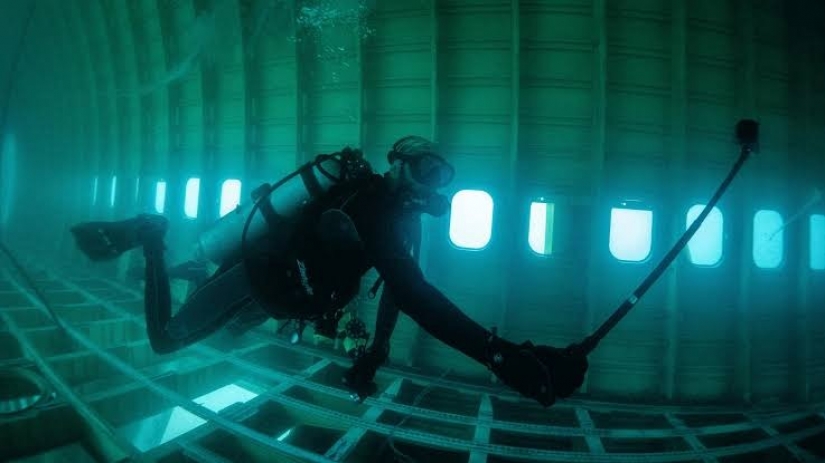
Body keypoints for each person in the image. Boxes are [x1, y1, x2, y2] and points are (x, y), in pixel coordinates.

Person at [70, 136, 589, 407]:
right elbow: (415, 293)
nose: (433, 184)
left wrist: (377, 355)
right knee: (167, 339)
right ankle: (153, 238)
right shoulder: (369, 204)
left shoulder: (402, 224)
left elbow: (397, 292)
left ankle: (181, 270)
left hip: (282, 298)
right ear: (399, 164)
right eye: (427, 169)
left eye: (442, 176)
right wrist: (500, 355)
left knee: (225, 330)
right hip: (262, 279)